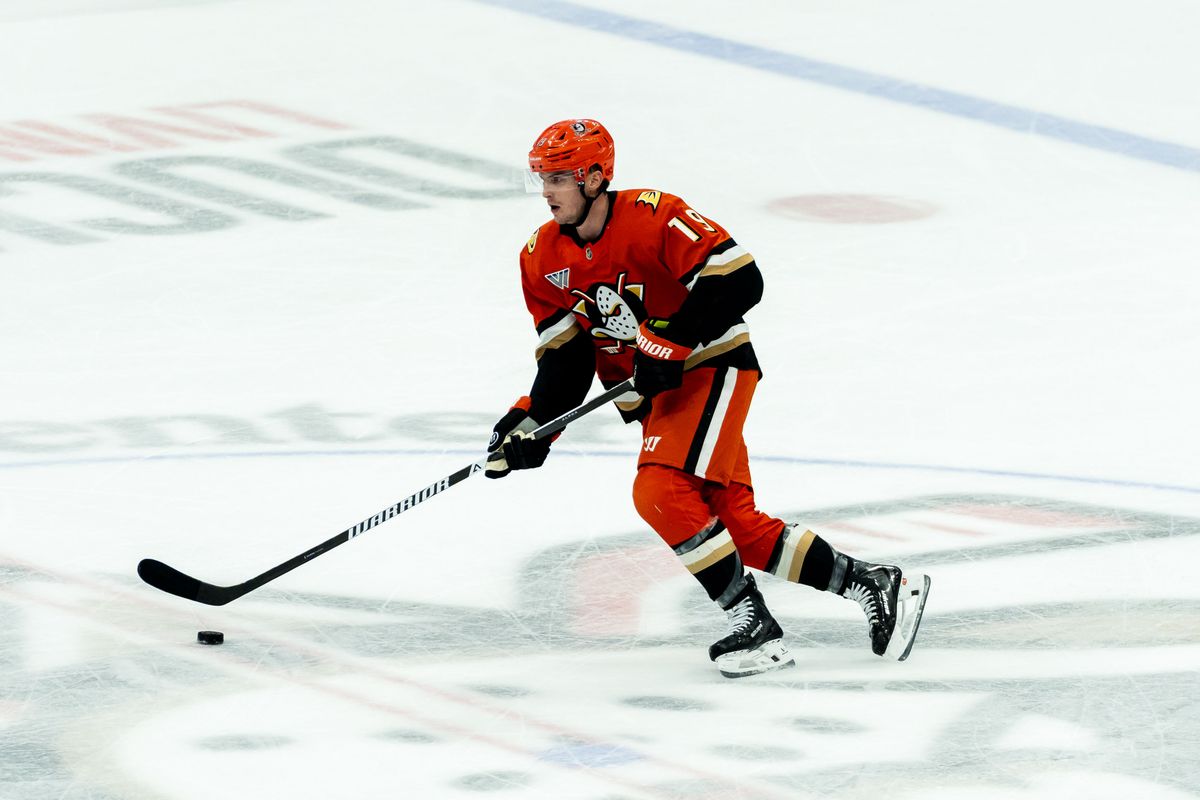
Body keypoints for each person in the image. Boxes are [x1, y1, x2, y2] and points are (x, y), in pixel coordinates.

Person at [486, 119, 930, 678]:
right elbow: (566, 361)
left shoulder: (654, 215)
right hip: (660, 395)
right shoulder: (539, 256)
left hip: (712, 366)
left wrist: (667, 338)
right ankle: (875, 583)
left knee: (660, 491)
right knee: (734, 525)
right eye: (541, 180)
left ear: (596, 176)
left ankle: (754, 625)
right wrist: (531, 424)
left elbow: (742, 280)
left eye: (559, 179)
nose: (547, 192)